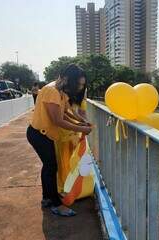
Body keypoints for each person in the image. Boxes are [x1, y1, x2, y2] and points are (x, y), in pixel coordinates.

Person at [26, 64, 92, 217]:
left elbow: (66, 112)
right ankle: (57, 204)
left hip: (44, 135)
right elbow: (58, 120)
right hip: (38, 135)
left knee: (48, 167)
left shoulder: (61, 91)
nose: (80, 88)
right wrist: (82, 129)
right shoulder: (52, 91)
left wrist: (81, 121)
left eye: (82, 85)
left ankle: (47, 198)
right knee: (51, 166)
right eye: (79, 84)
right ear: (69, 79)